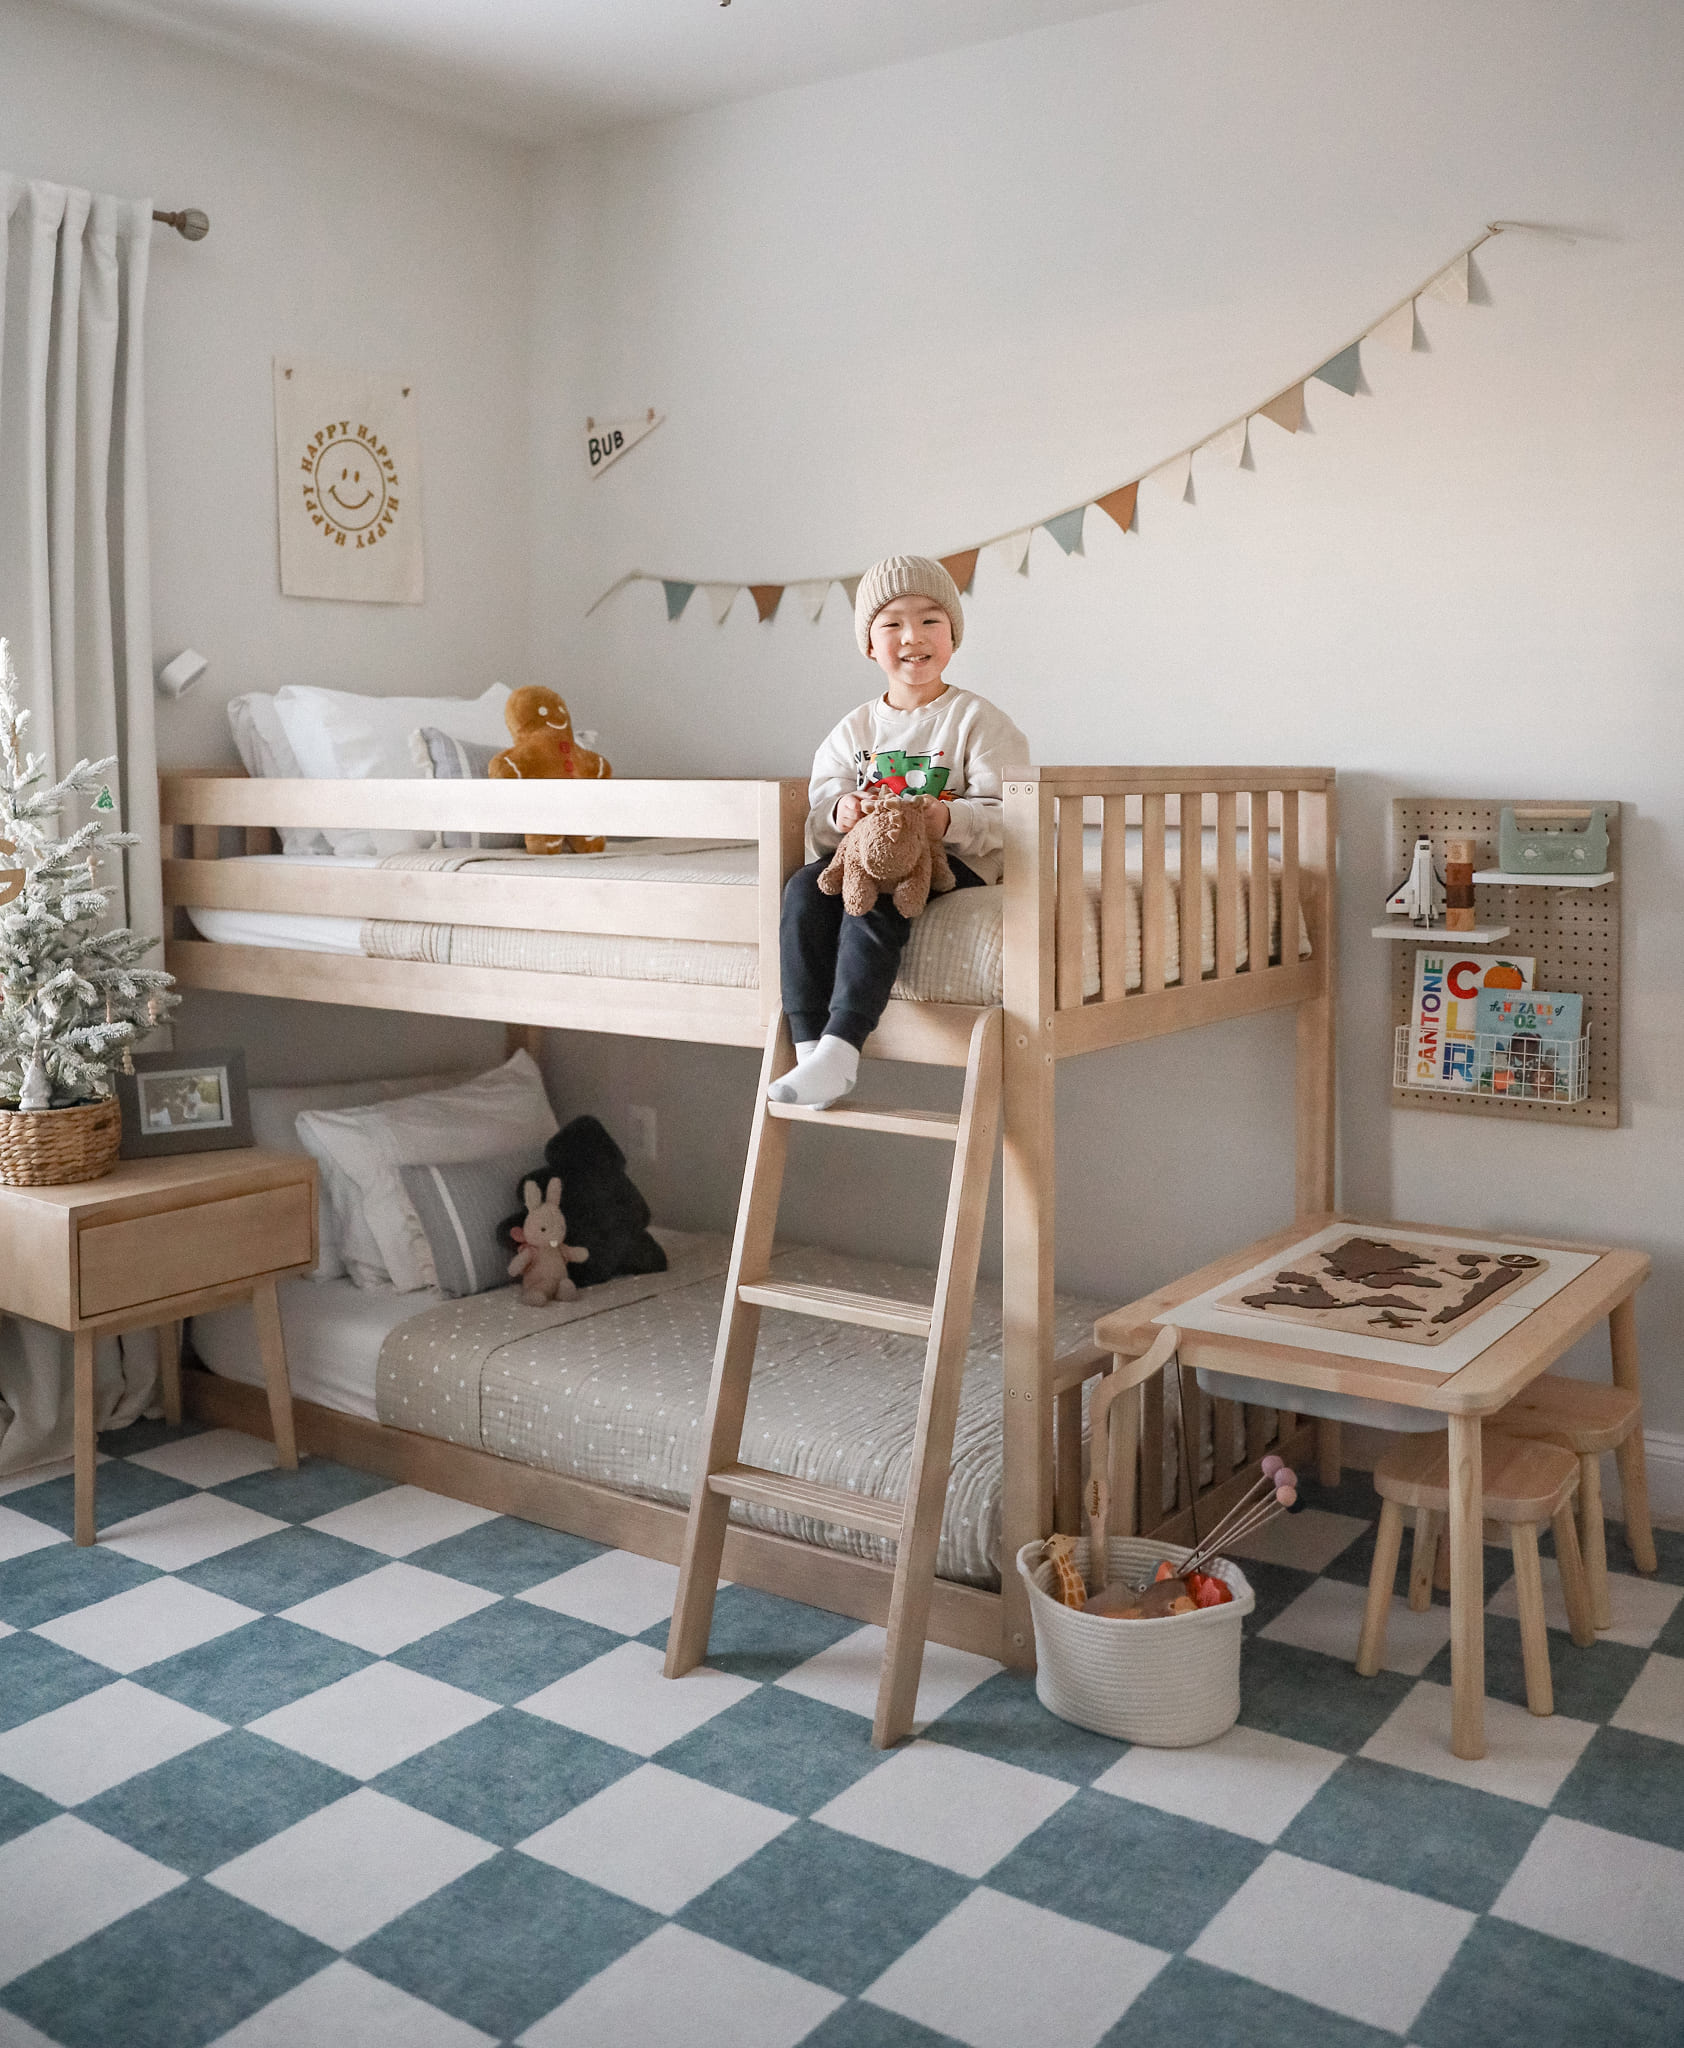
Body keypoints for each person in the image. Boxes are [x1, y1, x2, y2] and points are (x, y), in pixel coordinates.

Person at [770, 555, 1029, 1108]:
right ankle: (810, 1043)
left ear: (953, 635)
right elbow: (818, 813)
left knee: (884, 883)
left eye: (930, 620)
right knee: (803, 890)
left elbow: (1010, 815)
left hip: (950, 858)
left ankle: (843, 1046)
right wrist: (842, 812)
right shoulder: (854, 730)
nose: (913, 636)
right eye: (892, 624)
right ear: (869, 645)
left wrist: (946, 818)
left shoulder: (976, 721)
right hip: (864, 853)